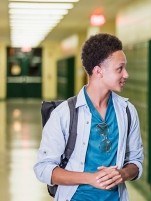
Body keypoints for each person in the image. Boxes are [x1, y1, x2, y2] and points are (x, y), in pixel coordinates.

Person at [34, 33, 144, 201]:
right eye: (119, 69)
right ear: (98, 71)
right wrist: (90, 178)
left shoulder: (127, 111)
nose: (126, 74)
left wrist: (122, 174)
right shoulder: (64, 114)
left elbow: (136, 162)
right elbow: (43, 169)